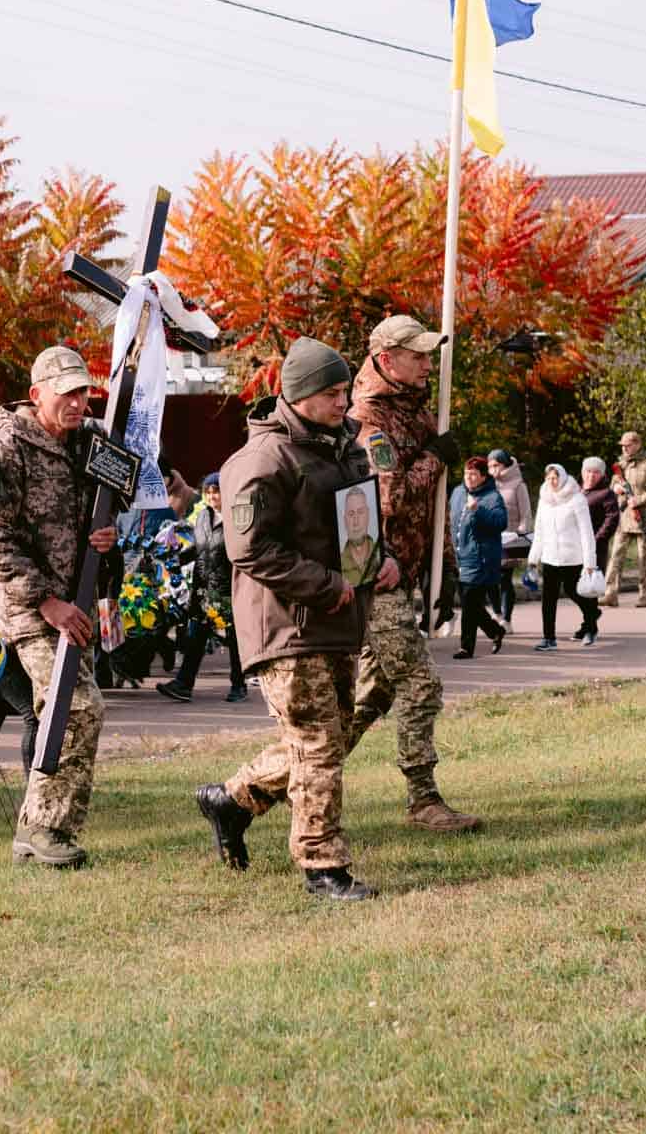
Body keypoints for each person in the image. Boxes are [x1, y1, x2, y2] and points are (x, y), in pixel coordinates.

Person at [192, 337, 394, 900]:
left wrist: (380, 561)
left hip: (339, 621)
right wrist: (326, 584)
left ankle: (231, 801)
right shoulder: (262, 460)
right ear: (300, 395)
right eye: (332, 393)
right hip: (289, 625)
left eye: (345, 391)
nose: (344, 403)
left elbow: (358, 523)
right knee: (318, 744)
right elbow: (251, 549)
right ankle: (323, 866)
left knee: (325, 740)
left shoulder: (342, 447)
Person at [0, 344, 121, 870]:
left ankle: (43, 830)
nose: (78, 403)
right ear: (37, 395)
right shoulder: (5, 448)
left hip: (78, 600)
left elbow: (116, 495)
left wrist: (105, 534)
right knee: (75, 709)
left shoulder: (90, 443)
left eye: (83, 393)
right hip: (33, 606)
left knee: (67, 712)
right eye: (67, 393)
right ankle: (44, 828)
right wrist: (46, 600)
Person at [340, 313, 481, 832]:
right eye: (418, 355)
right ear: (386, 360)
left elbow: (433, 507)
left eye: (428, 355)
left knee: (371, 695)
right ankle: (424, 800)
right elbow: (390, 497)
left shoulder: (417, 413)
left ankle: (271, 782)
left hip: (410, 572)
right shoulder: (367, 420)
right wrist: (434, 460)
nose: (428, 364)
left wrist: (445, 570)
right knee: (421, 686)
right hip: (377, 574)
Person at [156, 472, 247, 704]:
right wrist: (176, 559)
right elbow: (198, 548)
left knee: (235, 639)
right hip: (202, 587)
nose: (211, 495)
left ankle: (239, 685)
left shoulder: (237, 518)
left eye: (216, 490)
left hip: (228, 588)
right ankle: (183, 684)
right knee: (195, 636)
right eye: (207, 491)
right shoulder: (203, 517)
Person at [526, 464, 601, 650]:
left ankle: (591, 626)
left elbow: (586, 533)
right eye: (549, 478)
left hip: (572, 557)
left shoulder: (577, 499)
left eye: (556, 477)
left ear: (564, 477)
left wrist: (590, 562)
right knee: (548, 599)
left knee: (577, 593)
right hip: (550, 557)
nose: (553, 481)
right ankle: (548, 638)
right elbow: (539, 532)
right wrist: (533, 560)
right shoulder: (544, 499)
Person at [448, 457, 507, 660]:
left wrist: (478, 510)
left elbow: (501, 522)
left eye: (473, 474)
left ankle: (466, 647)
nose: (469, 478)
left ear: (483, 476)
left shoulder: (492, 497)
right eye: (466, 474)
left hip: (479, 559)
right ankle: (495, 631)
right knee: (469, 604)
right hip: (459, 556)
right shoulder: (458, 493)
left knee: (469, 602)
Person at [604, 431, 646, 608]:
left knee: (643, 559)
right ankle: (610, 594)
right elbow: (613, 483)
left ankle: (644, 595)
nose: (624, 448)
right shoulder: (621, 464)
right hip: (624, 519)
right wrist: (616, 488)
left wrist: (639, 500)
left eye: (627, 445)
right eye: (622, 445)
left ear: (637, 444)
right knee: (615, 557)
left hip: (645, 519)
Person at [486, 449, 532, 630]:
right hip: (489, 538)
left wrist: (520, 533)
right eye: (489, 466)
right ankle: (496, 613)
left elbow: (526, 513)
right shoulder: (488, 483)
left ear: (505, 465)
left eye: (496, 465)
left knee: (504, 579)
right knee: (490, 579)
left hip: (510, 537)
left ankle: (506, 619)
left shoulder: (518, 484)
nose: (493, 469)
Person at [580, 456, 619, 579]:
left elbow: (611, 519)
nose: (591, 476)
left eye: (596, 472)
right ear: (582, 472)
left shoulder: (606, 494)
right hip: (575, 547)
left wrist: (596, 540)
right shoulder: (575, 491)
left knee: (591, 587)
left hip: (595, 549)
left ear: (602, 475)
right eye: (588, 471)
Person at [338, 485, 380, 588]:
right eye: (351, 514)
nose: (356, 522)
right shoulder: (337, 568)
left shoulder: (382, 555)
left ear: (368, 515)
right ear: (344, 520)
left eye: (360, 512)